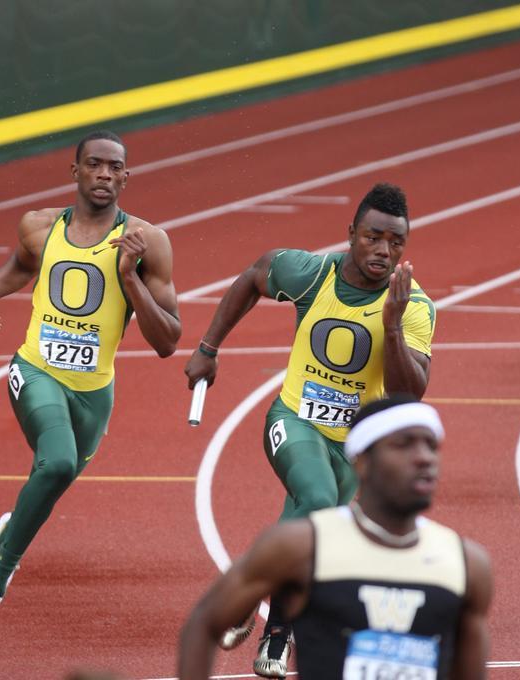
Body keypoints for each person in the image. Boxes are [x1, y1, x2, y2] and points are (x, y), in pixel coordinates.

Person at [184, 182, 435, 677]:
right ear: (351, 234)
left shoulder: (416, 306)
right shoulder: (312, 273)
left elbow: (411, 393)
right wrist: (208, 348)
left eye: (396, 242)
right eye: (373, 237)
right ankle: (255, 604)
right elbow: (256, 274)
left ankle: (275, 632)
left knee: (312, 531)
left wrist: (393, 326)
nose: (384, 251)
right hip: (294, 419)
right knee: (316, 498)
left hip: (355, 447)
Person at [0, 130, 181, 645]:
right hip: (35, 370)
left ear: (127, 176)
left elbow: (168, 340)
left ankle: (8, 534)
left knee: (53, 481)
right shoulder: (38, 225)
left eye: (115, 167)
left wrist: (130, 279)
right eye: (95, 165)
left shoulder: (149, 242)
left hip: (95, 393)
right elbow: (22, 264)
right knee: (54, 463)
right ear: (74, 171)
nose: (105, 174)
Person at [178, 395, 493, 680]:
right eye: (404, 444)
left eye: (431, 444)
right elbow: (204, 623)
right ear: (363, 463)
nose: (424, 457)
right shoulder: (302, 548)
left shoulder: (467, 565)